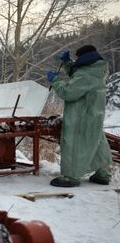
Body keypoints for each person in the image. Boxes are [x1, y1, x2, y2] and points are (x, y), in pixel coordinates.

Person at [47, 45, 112, 187]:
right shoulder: (97, 70)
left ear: (84, 58)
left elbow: (68, 92)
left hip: (80, 116)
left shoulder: (86, 75)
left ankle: (71, 177)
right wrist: (67, 63)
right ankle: (103, 173)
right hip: (94, 115)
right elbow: (79, 75)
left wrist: (56, 80)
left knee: (75, 143)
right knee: (96, 141)